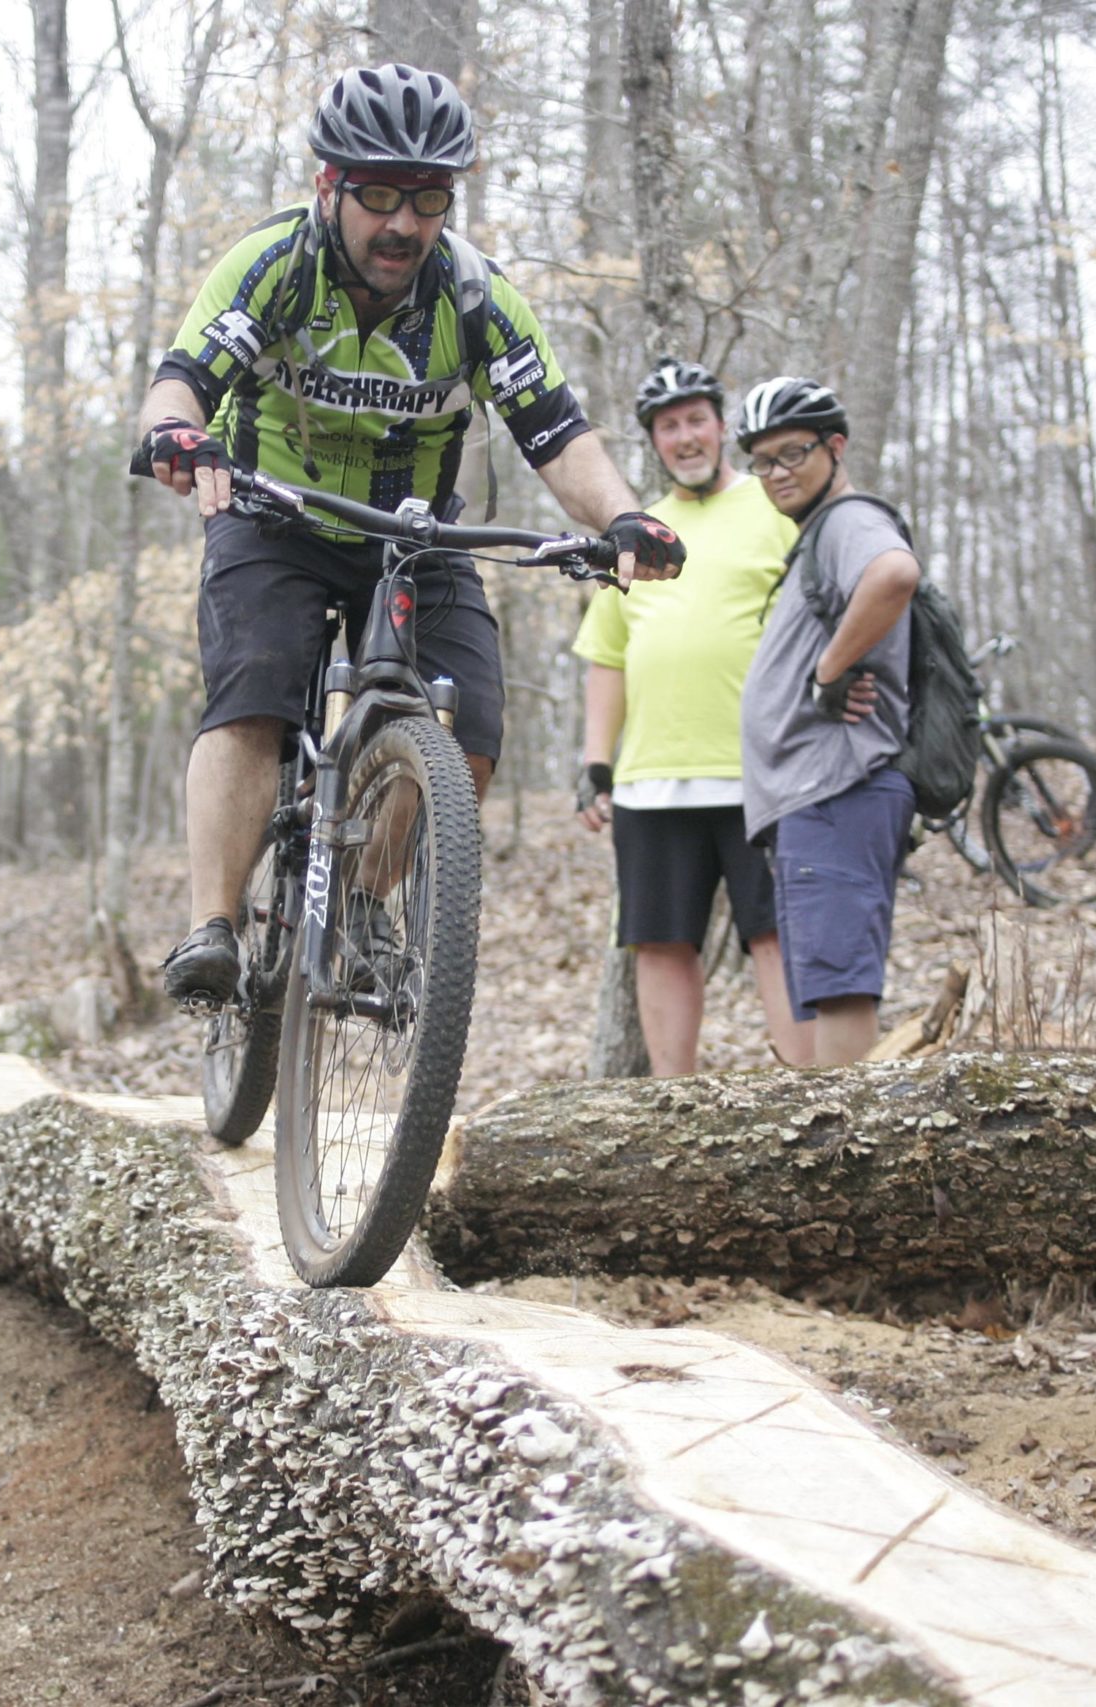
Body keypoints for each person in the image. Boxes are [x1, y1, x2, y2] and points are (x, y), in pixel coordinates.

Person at [133, 61, 687, 1006]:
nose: (403, 224)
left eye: (427, 199)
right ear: (329, 187)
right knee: (254, 692)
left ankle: (352, 907)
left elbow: (557, 434)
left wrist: (627, 516)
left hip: (412, 533)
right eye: (380, 195)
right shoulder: (272, 267)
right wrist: (173, 433)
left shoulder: (474, 296)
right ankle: (213, 927)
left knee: (469, 723)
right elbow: (182, 377)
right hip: (274, 517)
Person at [572, 356, 833, 1071]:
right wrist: (597, 762)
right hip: (653, 777)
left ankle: (806, 1096)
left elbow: (825, 615)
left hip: (767, 772)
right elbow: (607, 653)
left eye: (695, 420)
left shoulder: (774, 505)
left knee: (777, 933)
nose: (684, 437)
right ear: (654, 442)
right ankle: (672, 1104)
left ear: (720, 426)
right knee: (659, 940)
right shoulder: (642, 530)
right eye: (667, 427)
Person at [734, 378, 921, 1067]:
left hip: (838, 788)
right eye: (762, 461)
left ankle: (841, 1154)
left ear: (834, 447)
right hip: (813, 797)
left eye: (793, 454)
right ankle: (826, 1141)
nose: (777, 473)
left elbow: (894, 574)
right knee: (824, 985)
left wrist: (827, 671)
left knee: (841, 988)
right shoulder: (818, 535)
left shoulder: (848, 521)